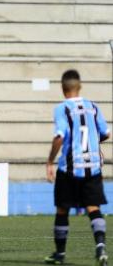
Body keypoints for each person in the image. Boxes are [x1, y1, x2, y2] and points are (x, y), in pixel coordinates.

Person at [44, 70, 109, 265]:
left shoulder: (62, 108)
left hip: (70, 167)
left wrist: (49, 162)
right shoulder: (94, 107)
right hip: (93, 166)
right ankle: (100, 247)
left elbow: (59, 137)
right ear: (79, 86)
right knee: (93, 208)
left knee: (62, 209)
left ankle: (60, 254)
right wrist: (94, 145)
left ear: (63, 89)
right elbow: (105, 133)